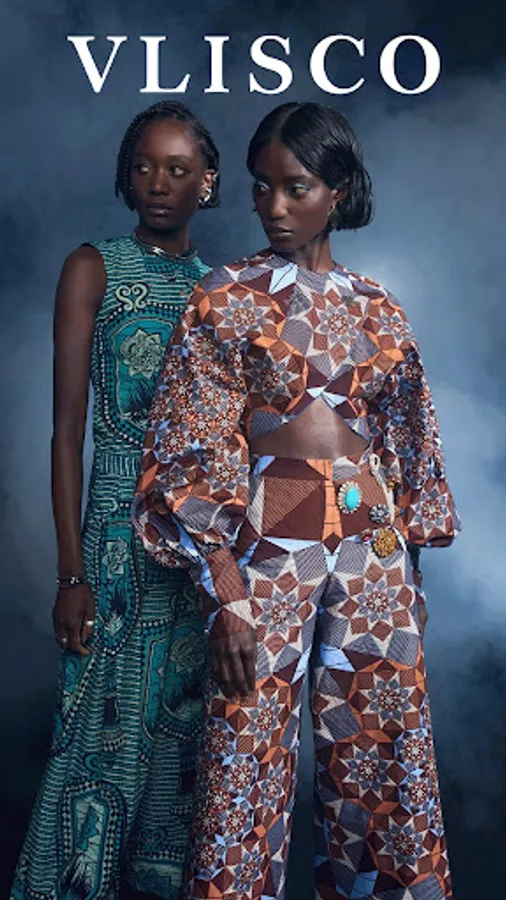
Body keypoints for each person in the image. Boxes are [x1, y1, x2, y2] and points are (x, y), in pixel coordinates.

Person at [132, 102, 460, 900]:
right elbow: (192, 446)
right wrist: (227, 595)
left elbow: (408, 445)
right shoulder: (225, 295)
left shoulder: (378, 305)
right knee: (245, 749)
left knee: (384, 745)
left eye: (296, 187)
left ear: (337, 191)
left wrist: (408, 576)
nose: (273, 206)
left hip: (372, 537)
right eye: (260, 187)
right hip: (271, 533)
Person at [10, 100, 220, 900]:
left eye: (177, 169)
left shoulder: (218, 289)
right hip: (112, 538)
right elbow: (66, 431)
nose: (158, 183)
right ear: (125, 178)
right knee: (96, 741)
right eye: (144, 167)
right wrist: (71, 575)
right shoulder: (93, 267)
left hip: (192, 546)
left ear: (207, 184)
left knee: (179, 743)